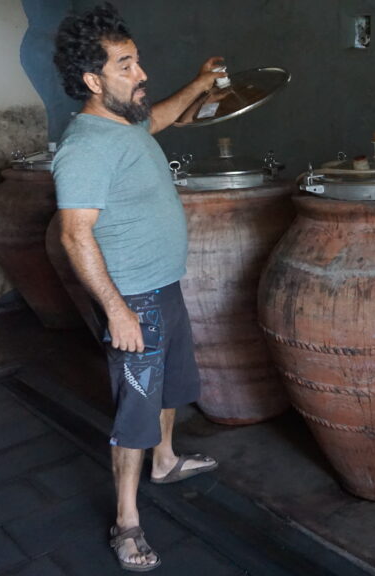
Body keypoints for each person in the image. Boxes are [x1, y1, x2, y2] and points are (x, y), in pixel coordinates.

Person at [52, 3, 225, 571]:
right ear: (92, 80)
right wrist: (118, 312)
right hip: (135, 302)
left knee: (173, 386)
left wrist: (201, 84)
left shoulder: (124, 125)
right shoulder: (84, 148)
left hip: (163, 287)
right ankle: (127, 521)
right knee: (136, 411)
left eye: (137, 61)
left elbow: (165, 116)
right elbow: (75, 235)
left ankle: (166, 460)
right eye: (126, 66)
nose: (141, 74)